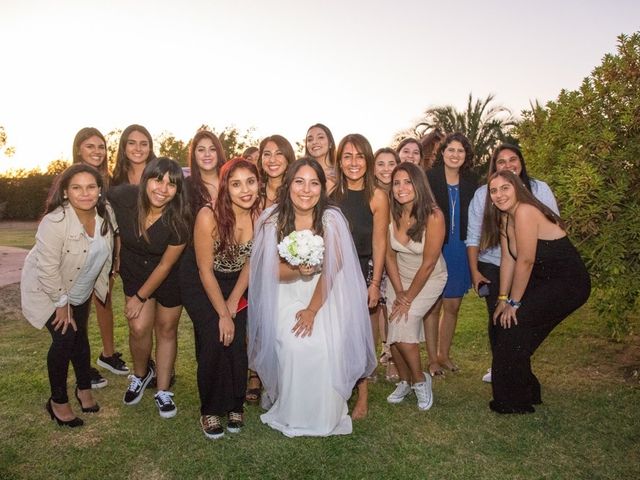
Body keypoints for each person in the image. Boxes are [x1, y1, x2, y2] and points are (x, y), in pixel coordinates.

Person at [248, 158, 376, 437]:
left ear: (322, 187)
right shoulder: (271, 220)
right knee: (297, 345)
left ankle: (326, 413)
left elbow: (333, 270)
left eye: (314, 182)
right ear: (289, 184)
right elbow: (266, 270)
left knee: (325, 345)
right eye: (299, 181)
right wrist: (296, 269)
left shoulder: (332, 219)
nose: (306, 190)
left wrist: (312, 310)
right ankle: (293, 412)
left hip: (326, 292)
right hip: (284, 292)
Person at [483, 170, 590, 413]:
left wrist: (515, 303)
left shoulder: (525, 211)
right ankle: (526, 392)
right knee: (503, 326)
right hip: (545, 280)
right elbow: (508, 259)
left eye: (505, 188)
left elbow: (526, 261)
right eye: (494, 190)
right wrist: (502, 298)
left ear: (517, 187)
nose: (499, 195)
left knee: (515, 325)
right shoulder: (505, 218)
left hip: (569, 283)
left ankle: (514, 401)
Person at [21, 164, 117, 427]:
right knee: (65, 337)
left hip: (81, 286)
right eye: (77, 187)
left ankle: (83, 389)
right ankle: (58, 401)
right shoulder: (55, 221)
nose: (84, 193)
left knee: (80, 336)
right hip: (48, 288)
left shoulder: (105, 213)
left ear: (99, 190)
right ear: (66, 192)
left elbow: (110, 243)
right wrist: (61, 303)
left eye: (91, 187)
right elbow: (47, 267)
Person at [466, 143, 559, 383]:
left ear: (521, 162)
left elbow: (554, 225)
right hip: (493, 264)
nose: (508, 165)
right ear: (493, 167)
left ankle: (512, 366)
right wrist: (475, 271)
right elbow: (474, 236)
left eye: (512, 159)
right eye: (501, 161)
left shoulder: (539, 189)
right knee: (498, 315)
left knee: (520, 316)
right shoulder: (482, 195)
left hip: (530, 263)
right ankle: (501, 366)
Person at [108, 158, 189, 418]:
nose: (163, 188)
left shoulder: (179, 220)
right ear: (145, 180)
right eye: (158, 179)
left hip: (168, 278)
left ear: (178, 190)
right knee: (139, 327)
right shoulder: (124, 198)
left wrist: (140, 297)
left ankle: (163, 390)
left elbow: (166, 266)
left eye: (172, 184)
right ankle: (141, 374)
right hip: (134, 273)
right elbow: (91, 192)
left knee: (166, 329)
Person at [187, 158, 260, 439]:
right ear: (225, 187)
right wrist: (222, 314)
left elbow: (250, 264)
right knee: (214, 340)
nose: (245, 190)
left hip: (237, 283)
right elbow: (204, 270)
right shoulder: (208, 215)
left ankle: (234, 404)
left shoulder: (259, 215)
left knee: (237, 342)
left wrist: (233, 306)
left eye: (250, 182)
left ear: (258, 184)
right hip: (202, 282)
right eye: (236, 183)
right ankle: (209, 410)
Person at [331, 134, 389, 419]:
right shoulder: (330, 193)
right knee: (335, 334)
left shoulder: (377, 196)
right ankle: (335, 390)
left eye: (359, 156)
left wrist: (375, 283)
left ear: (367, 160)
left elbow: (380, 243)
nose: (353, 163)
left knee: (360, 335)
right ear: (339, 161)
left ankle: (362, 397)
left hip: (363, 271)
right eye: (347, 156)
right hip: (332, 273)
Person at [384, 162, 447, 411]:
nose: (401, 188)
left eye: (407, 182)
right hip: (399, 278)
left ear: (418, 184)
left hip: (429, 278)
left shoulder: (434, 215)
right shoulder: (391, 212)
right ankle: (404, 380)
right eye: (396, 182)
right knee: (394, 332)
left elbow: (429, 263)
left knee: (405, 326)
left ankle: (421, 380)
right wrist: (399, 291)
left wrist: (408, 298)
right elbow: (389, 256)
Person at [71, 128, 129, 384]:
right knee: (77, 310)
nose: (97, 151)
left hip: (102, 254)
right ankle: (83, 368)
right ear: (78, 150)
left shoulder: (106, 181)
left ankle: (107, 354)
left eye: (101, 146)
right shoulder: (72, 179)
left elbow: (111, 222)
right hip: (77, 254)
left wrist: (116, 254)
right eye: (90, 146)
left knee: (104, 300)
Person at [424, 133, 478, 376]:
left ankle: (444, 355)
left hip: (460, 248)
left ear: (465, 156)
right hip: (437, 246)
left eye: (461, 151)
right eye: (451, 150)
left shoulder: (471, 182)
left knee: (453, 305)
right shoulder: (430, 178)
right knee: (434, 305)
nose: (455, 154)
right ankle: (432, 359)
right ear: (442, 152)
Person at [373, 148, 400, 381]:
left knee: (391, 308)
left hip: (398, 258)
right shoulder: (369, 194)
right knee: (376, 309)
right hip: (375, 258)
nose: (386, 169)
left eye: (391, 163)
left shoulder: (403, 192)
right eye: (380, 164)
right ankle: (376, 355)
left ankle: (392, 358)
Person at [184, 129, 226, 218]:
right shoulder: (186, 187)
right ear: (194, 155)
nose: (207, 154)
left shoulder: (231, 181)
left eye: (212, 149)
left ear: (218, 153)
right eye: (201, 150)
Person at [257, 134, 296, 210]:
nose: (272, 160)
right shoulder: (254, 190)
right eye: (267, 154)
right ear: (261, 159)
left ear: (288, 158)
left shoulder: (296, 191)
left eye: (279, 153)